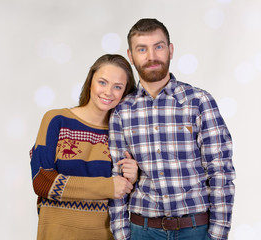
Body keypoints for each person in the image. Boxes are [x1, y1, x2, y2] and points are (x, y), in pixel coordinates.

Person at [108, 18, 236, 240]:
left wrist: (217, 235)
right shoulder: (121, 112)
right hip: (142, 230)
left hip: (195, 230)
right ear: (131, 56)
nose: (152, 56)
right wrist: (122, 235)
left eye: (158, 46)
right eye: (142, 49)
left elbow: (221, 172)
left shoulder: (199, 102)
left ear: (171, 50)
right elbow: (116, 178)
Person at [30, 54, 139, 240]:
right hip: (56, 234)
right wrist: (106, 186)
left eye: (118, 87)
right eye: (102, 82)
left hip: (106, 234)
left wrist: (134, 177)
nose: (108, 92)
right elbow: (42, 180)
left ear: (125, 93)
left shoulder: (124, 134)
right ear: (90, 83)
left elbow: (127, 193)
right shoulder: (57, 120)